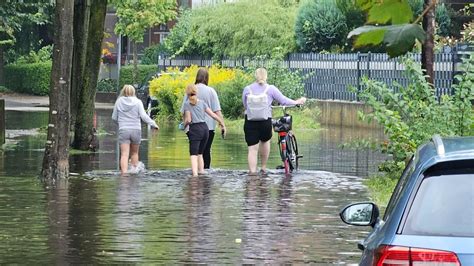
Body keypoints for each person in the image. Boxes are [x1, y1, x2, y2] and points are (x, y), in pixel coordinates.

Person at [242, 68, 306, 175]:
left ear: (255, 76)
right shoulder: (270, 89)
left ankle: (252, 173)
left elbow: (245, 105)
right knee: (265, 141)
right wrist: (297, 102)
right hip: (265, 122)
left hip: (250, 121)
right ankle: (263, 168)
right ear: (266, 76)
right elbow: (284, 101)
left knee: (252, 149)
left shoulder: (247, 89)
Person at [180, 68, 223, 169]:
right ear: (207, 78)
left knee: (195, 151)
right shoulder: (211, 91)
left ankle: (196, 173)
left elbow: (184, 110)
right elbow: (217, 111)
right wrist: (222, 124)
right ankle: (205, 172)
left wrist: (185, 126)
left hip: (193, 127)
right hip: (208, 128)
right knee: (206, 150)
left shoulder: (191, 90)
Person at [112, 84, 159, 175]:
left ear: (123, 92)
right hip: (136, 130)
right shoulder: (138, 102)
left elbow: (114, 117)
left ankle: (124, 174)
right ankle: (133, 173)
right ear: (133, 92)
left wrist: (121, 124)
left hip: (124, 130)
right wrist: (153, 124)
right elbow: (144, 116)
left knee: (124, 154)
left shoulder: (118, 102)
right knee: (134, 153)